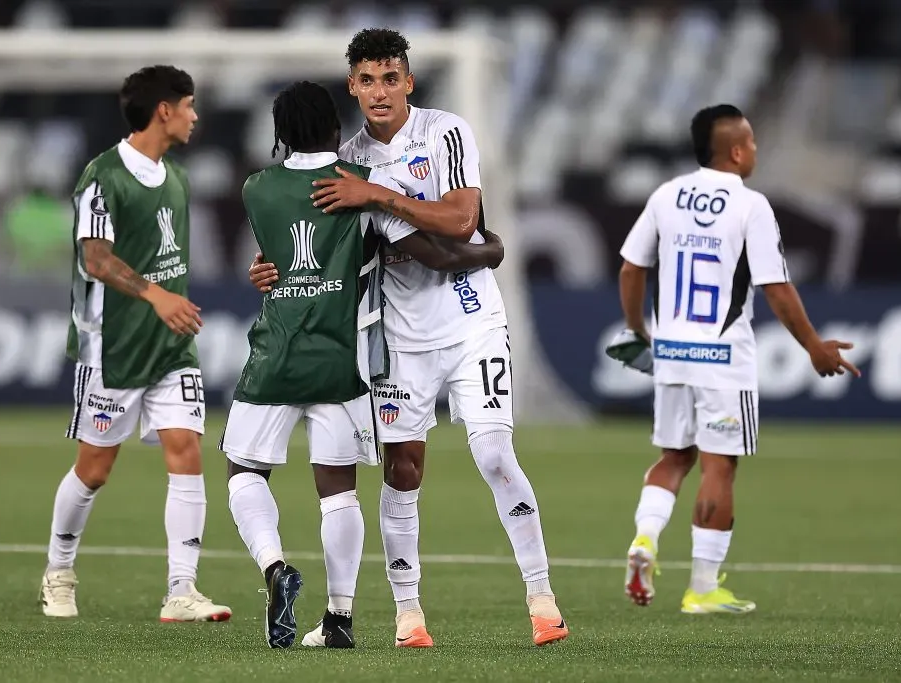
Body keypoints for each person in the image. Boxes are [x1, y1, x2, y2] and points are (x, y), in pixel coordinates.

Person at [248, 29, 567, 648]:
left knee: (494, 453)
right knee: (401, 469)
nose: (380, 92)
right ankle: (409, 614)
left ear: (409, 81)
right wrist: (271, 269)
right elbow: (319, 250)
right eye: (367, 80)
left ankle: (541, 596)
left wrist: (378, 194)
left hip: (472, 321)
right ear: (352, 86)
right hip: (398, 335)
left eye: (390, 78)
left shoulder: (446, 132)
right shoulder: (346, 160)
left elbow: (462, 219)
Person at [223, 81, 505, 650]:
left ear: (279, 135)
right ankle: (340, 618)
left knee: (244, 470)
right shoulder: (363, 187)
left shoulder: (256, 189)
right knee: (339, 493)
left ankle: (275, 566)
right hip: (341, 358)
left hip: (276, 352)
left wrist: (266, 271)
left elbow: (274, 258)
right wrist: (490, 251)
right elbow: (436, 256)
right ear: (336, 129)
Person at [612, 104, 860, 613]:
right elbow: (776, 287)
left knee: (674, 457)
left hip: (672, 350)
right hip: (722, 355)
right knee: (718, 466)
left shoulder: (666, 195)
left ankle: (645, 537)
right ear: (738, 151)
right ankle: (702, 588)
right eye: (752, 142)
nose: (755, 150)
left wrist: (638, 330)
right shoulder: (751, 206)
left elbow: (631, 269)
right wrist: (813, 345)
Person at [40, 65, 231, 623]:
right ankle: (58, 571)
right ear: (164, 110)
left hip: (170, 344)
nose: (195, 116)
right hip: (113, 346)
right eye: (189, 105)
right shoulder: (103, 176)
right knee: (94, 468)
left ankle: (181, 590)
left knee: (186, 447)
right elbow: (95, 258)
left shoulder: (177, 178)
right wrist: (156, 295)